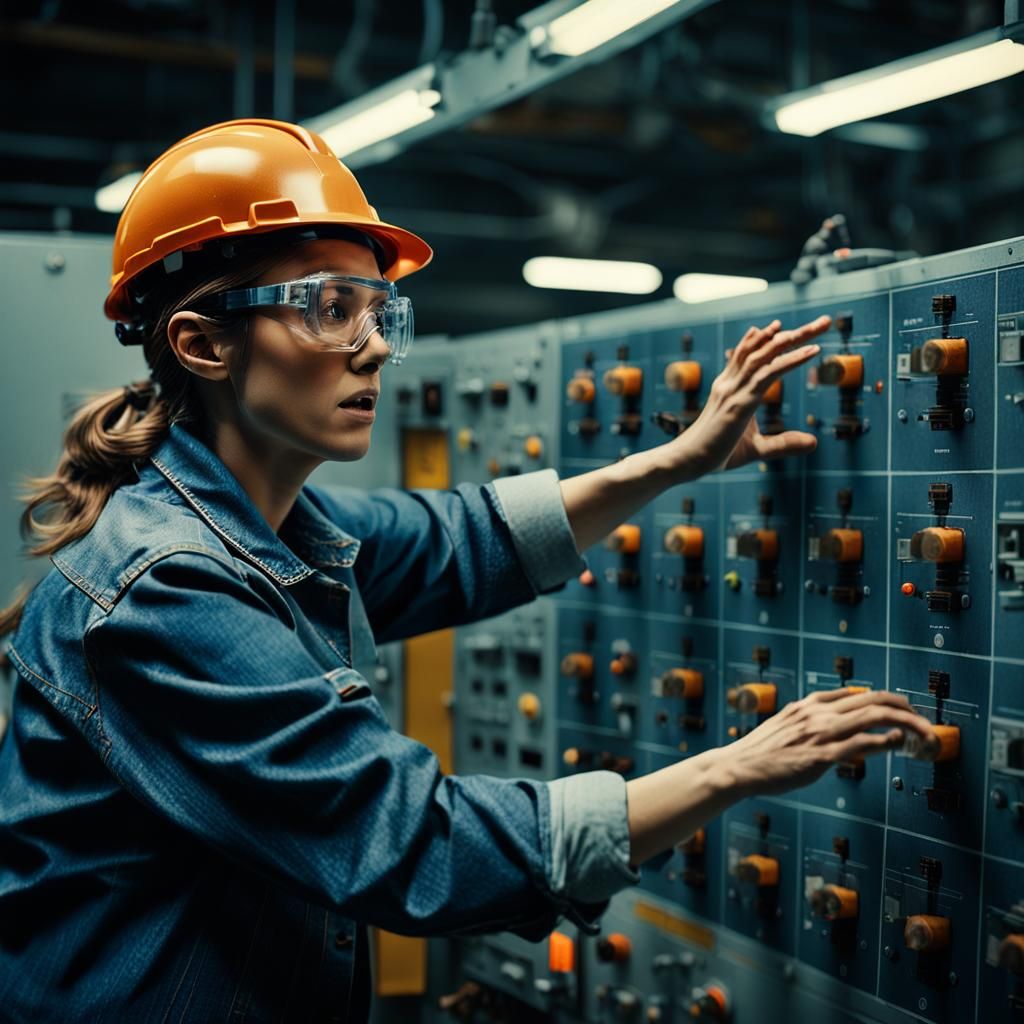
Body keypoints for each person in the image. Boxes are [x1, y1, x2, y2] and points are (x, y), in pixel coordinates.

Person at [0, 119, 934, 1023]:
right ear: (204, 344)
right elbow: (411, 844)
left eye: (379, 312)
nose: (374, 348)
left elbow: (457, 539)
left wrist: (678, 460)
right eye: (330, 309)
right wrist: (739, 766)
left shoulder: (272, 528)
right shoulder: (165, 588)